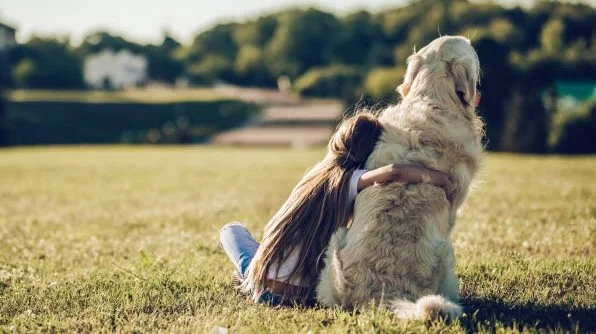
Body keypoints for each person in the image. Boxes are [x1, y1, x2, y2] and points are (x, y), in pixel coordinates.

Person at [219, 113, 451, 306]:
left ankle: (248, 277)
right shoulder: (351, 180)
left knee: (231, 231)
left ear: (339, 139)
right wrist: (441, 178)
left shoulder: (317, 176)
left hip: (263, 287)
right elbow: (394, 172)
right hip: (304, 295)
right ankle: (252, 274)